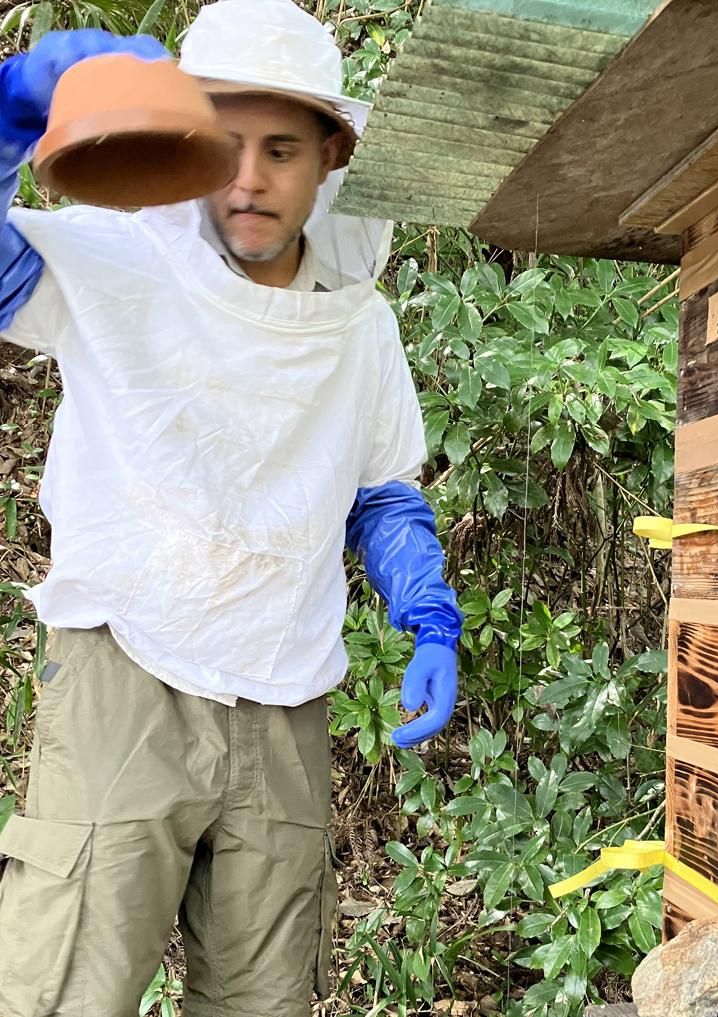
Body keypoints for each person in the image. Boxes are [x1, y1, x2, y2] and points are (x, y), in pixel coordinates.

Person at [0, 1, 462, 1015]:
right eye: (226, 147)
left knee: (266, 998)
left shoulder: (359, 323)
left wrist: (427, 615)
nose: (249, 181)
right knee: (65, 986)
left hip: (285, 699)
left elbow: (379, 489)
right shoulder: (122, 261)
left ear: (332, 158)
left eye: (283, 150)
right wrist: (5, 127)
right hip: (126, 673)